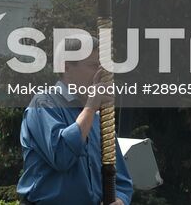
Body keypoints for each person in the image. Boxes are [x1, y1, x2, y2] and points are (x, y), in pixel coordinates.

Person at [17, 42, 133, 205]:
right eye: (94, 65)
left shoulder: (99, 120)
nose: (102, 73)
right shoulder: (44, 104)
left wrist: (120, 200)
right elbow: (61, 156)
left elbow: (122, 180)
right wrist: (90, 108)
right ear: (66, 68)